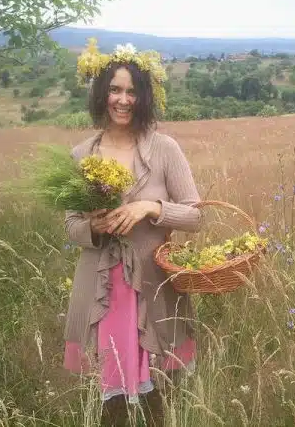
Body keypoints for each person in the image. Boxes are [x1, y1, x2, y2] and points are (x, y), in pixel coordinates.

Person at [61, 40, 201, 423]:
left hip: (154, 284)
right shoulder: (81, 155)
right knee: (110, 400)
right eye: (115, 90)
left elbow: (195, 215)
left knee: (161, 394)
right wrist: (94, 226)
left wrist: (151, 207)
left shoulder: (165, 148)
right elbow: (71, 226)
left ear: (144, 97)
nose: (123, 100)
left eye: (132, 91)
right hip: (101, 288)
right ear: (101, 93)